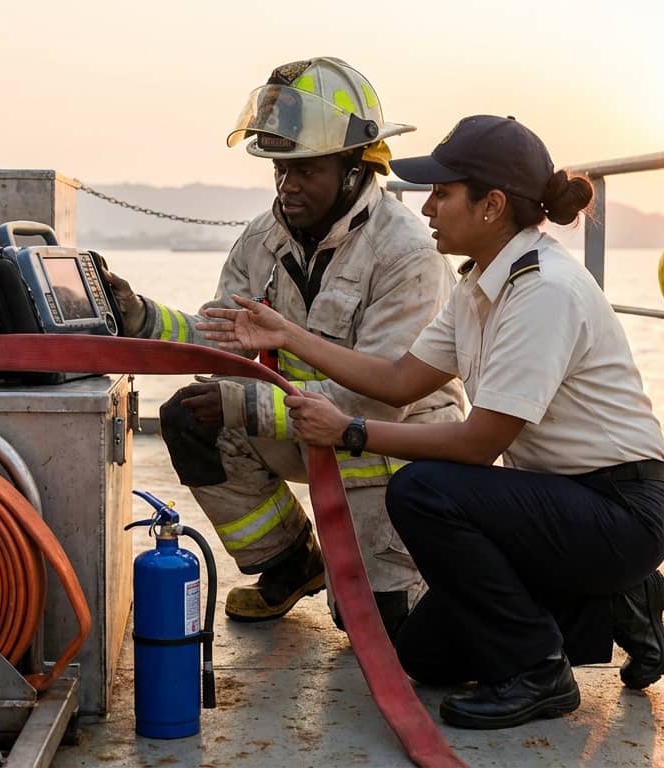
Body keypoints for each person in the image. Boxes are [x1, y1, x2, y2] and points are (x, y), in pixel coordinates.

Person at [198, 114, 664, 730]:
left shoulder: (543, 291)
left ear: (492, 205)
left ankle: (540, 671)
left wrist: (349, 431)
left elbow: (479, 446)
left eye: (443, 192)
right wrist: (288, 334)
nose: (427, 208)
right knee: (423, 656)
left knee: (425, 489)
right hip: (559, 503)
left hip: (619, 508)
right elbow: (400, 377)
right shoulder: (480, 284)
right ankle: (611, 603)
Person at [101, 57, 466, 636]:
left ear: (354, 168)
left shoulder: (406, 254)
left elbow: (378, 402)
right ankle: (290, 562)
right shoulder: (263, 238)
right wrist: (139, 315)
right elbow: (222, 335)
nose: (286, 185)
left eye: (305, 170)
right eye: (279, 168)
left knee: (378, 628)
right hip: (305, 427)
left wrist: (242, 405)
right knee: (191, 417)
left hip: (388, 455)